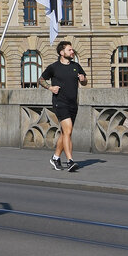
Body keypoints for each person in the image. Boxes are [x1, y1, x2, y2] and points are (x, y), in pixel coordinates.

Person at [39, 40, 87, 172]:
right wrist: (50, 88)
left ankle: (55, 157)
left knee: (65, 132)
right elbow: (41, 80)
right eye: (69, 50)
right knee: (69, 131)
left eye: (72, 50)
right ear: (62, 52)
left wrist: (83, 80)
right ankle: (70, 161)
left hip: (73, 103)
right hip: (60, 102)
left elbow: (84, 82)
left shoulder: (76, 66)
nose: (72, 52)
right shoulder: (54, 67)